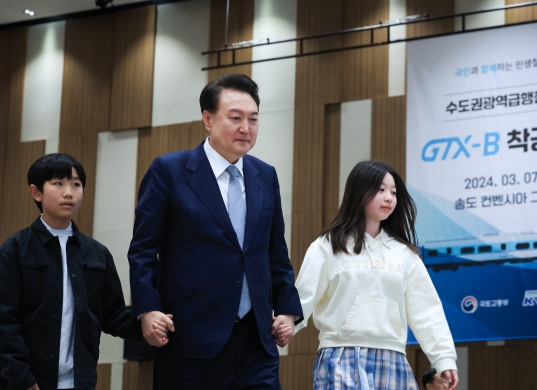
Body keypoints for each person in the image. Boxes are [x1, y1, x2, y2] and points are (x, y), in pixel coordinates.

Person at [128, 73, 303, 389]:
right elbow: (142, 250)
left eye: (253, 119)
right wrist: (147, 309)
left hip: (256, 342)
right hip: (190, 337)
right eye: (235, 118)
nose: (245, 128)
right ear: (207, 119)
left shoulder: (265, 175)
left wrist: (288, 310)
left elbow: (275, 250)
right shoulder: (169, 171)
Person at [0, 153, 167, 390]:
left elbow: (113, 315)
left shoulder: (97, 253)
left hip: (81, 380)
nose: (69, 192)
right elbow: (4, 321)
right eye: (58, 183)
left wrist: (147, 322)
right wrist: (22, 379)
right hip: (28, 381)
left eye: (76, 184)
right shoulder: (14, 250)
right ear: (36, 192)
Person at [294, 160, 459, 390]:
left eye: (393, 192)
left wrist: (444, 358)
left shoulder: (405, 254)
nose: (389, 197)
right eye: (381, 190)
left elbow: (427, 310)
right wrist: (285, 325)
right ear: (359, 192)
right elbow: (302, 297)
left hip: (393, 357)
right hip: (340, 355)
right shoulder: (327, 246)